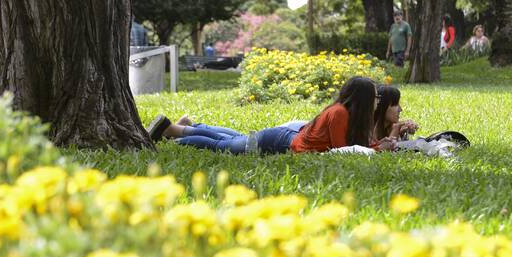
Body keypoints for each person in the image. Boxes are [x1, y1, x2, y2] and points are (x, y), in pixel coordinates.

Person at [147, 77, 397, 154]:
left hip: (285, 137)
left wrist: (377, 144)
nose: (377, 102)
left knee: (235, 139)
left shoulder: (344, 113)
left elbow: (352, 145)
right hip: (279, 141)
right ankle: (174, 134)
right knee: (222, 146)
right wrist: (376, 150)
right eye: (375, 97)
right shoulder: (340, 114)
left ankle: (183, 129)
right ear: (363, 100)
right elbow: (343, 151)